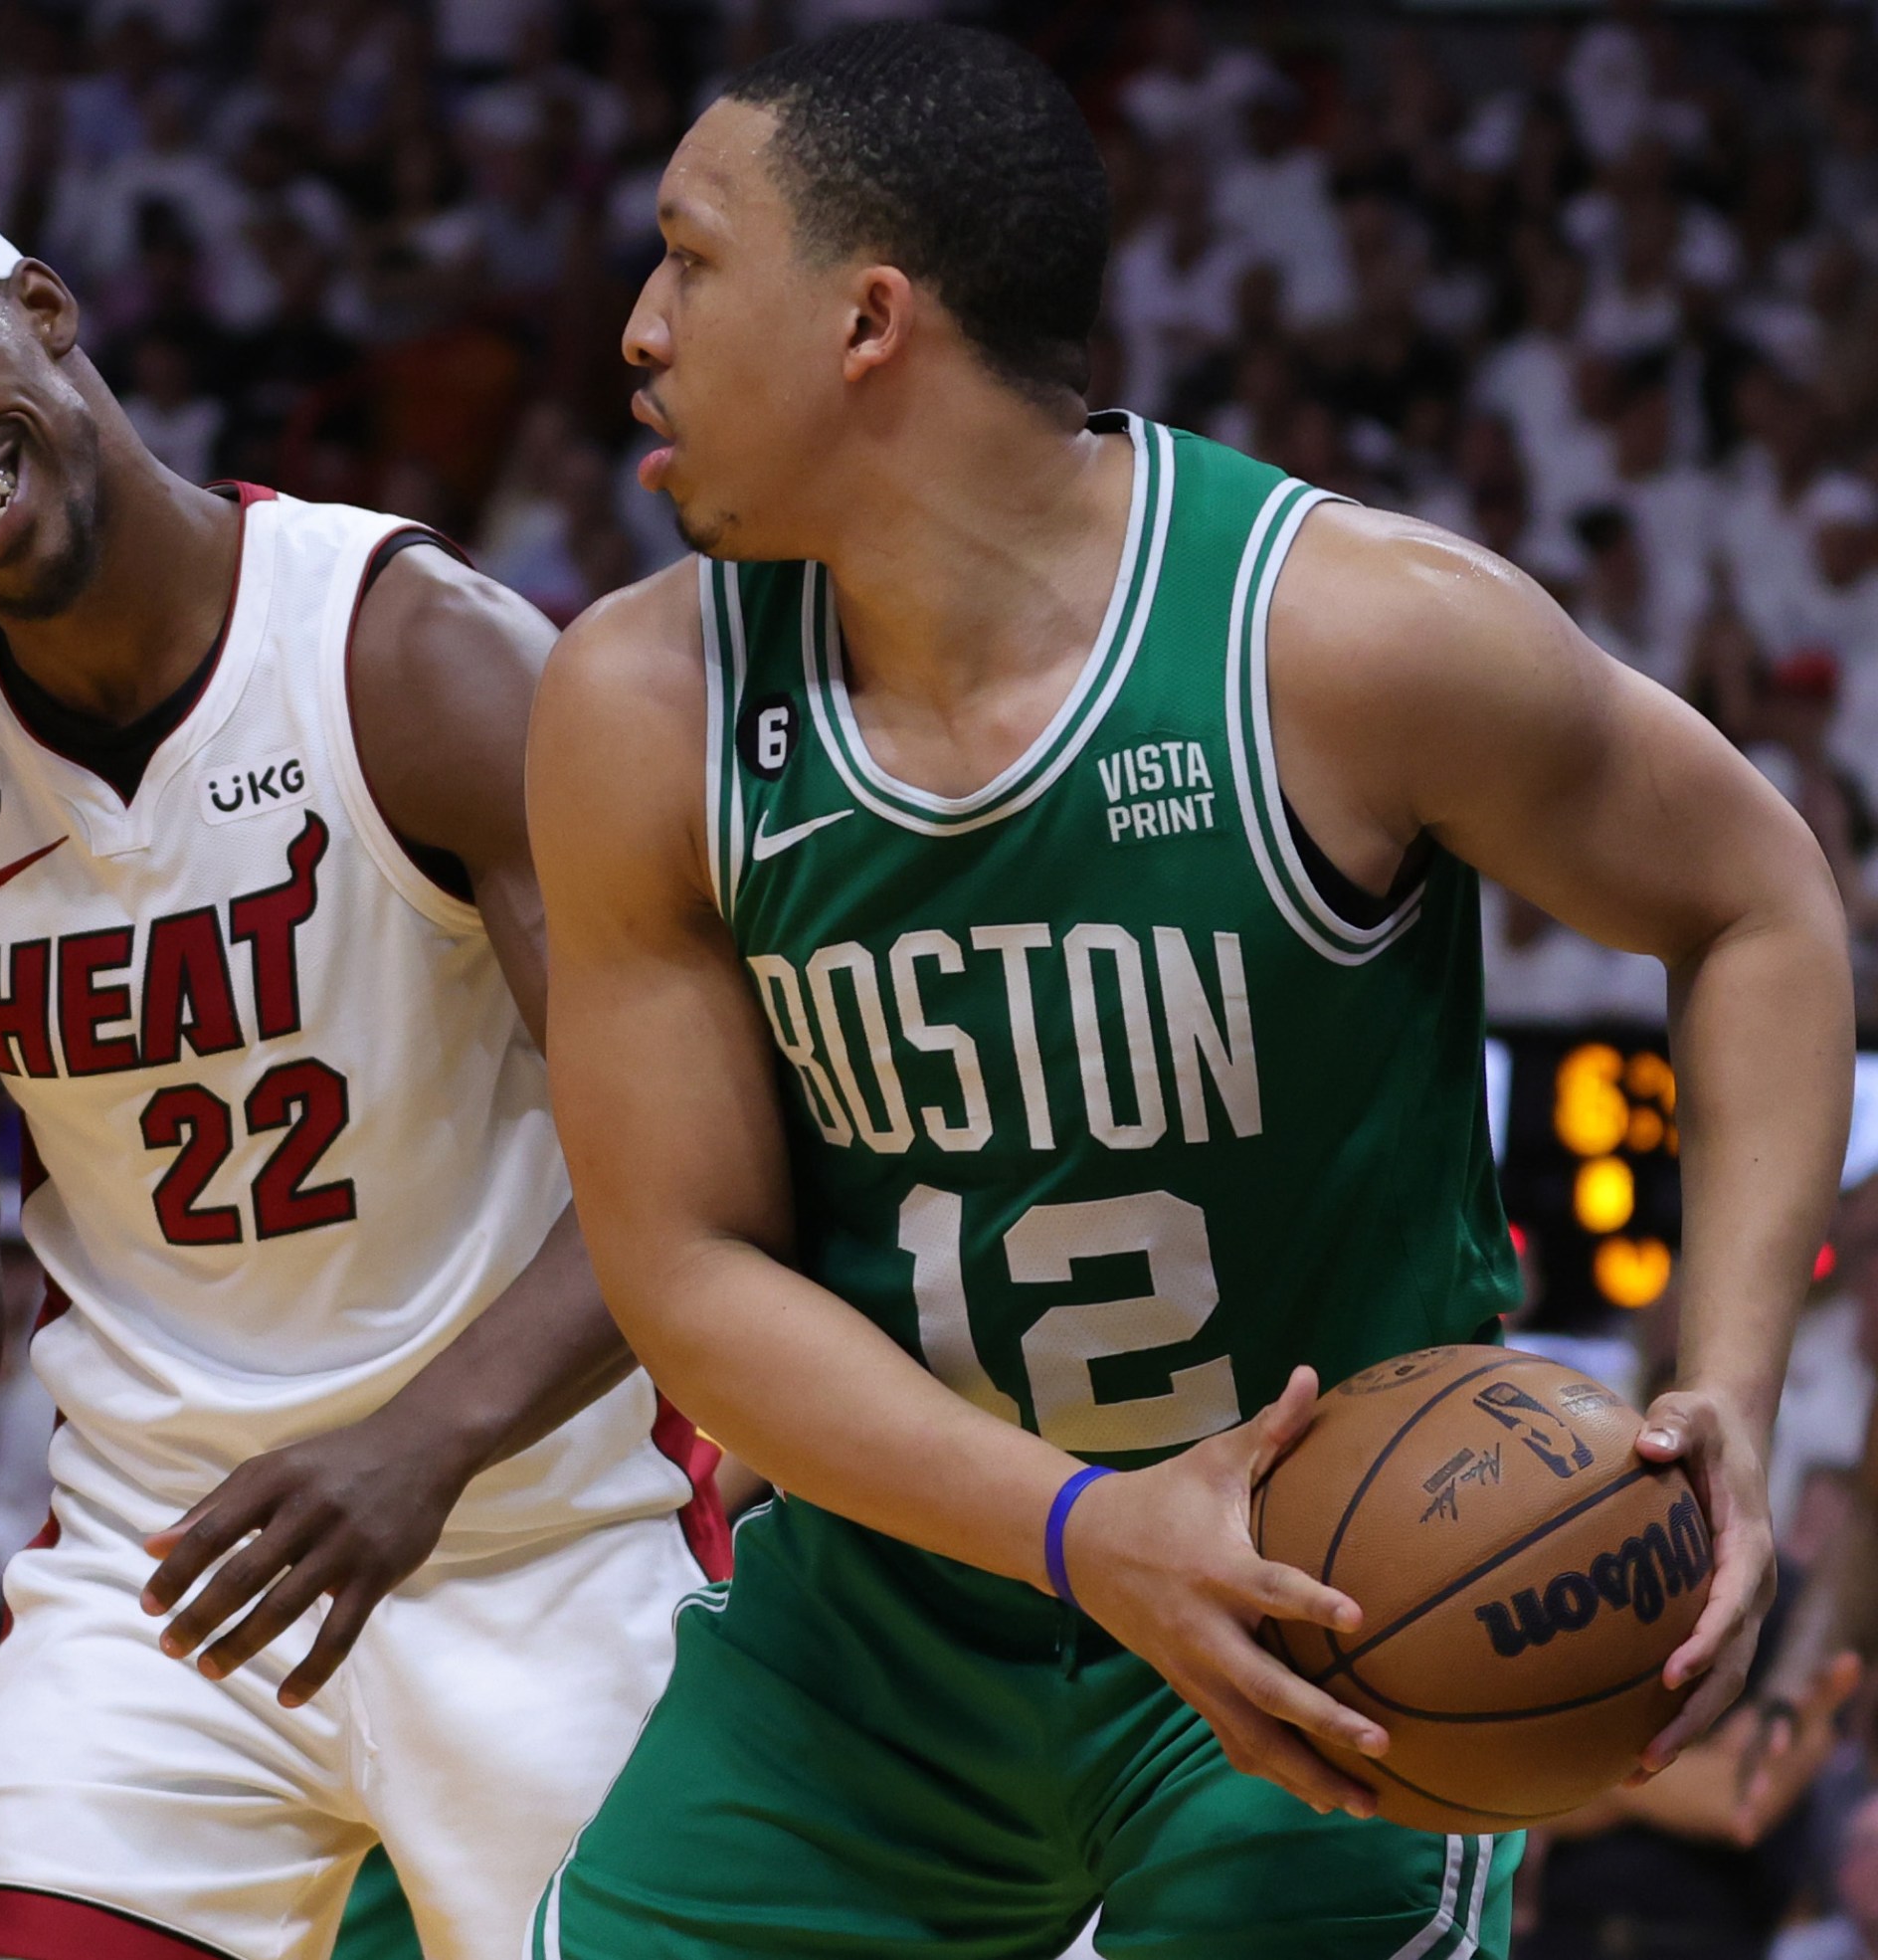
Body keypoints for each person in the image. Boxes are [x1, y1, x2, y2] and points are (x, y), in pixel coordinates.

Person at [524, 23, 1848, 1958]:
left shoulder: (1351, 639)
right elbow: (691, 1273)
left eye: (689, 257)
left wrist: (1724, 1379)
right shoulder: (640, 709)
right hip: (876, 1633)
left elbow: (1760, 910)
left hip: (1337, 1615)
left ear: (866, 319)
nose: (636, 327)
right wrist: (1085, 1531)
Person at [0, 174, 724, 1960]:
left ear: (46, 307)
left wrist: (420, 1444)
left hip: (540, 1538)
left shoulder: (416, 657)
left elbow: (697, 1161)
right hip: (161, 1585)